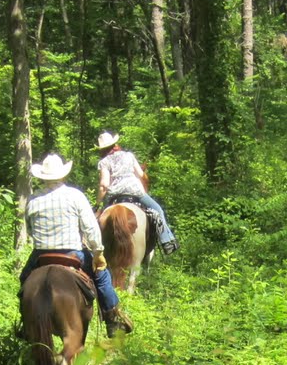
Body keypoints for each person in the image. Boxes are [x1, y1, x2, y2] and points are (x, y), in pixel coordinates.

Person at [22, 153, 134, 336]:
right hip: (73, 254)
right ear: (63, 175)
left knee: (24, 279)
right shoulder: (75, 196)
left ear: (43, 177)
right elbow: (90, 227)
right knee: (102, 276)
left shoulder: (33, 199)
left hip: (41, 254)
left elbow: (30, 228)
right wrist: (98, 252)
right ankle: (112, 318)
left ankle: (25, 323)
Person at [96, 131, 178, 255]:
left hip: (115, 195)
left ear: (102, 149)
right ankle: (167, 241)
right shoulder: (129, 155)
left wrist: (97, 204)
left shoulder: (104, 162)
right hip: (135, 192)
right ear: (115, 144)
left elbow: (104, 185)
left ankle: (96, 248)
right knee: (158, 210)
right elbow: (140, 175)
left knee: (100, 219)